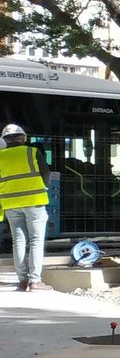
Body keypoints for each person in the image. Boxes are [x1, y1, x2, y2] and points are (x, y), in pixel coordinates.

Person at [0, 123, 50, 292]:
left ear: (5, 140)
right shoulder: (32, 152)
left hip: (11, 203)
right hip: (34, 201)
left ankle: (22, 281)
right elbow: (46, 175)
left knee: (18, 241)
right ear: (24, 138)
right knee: (36, 241)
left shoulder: (0, 156)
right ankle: (35, 281)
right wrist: (44, 186)